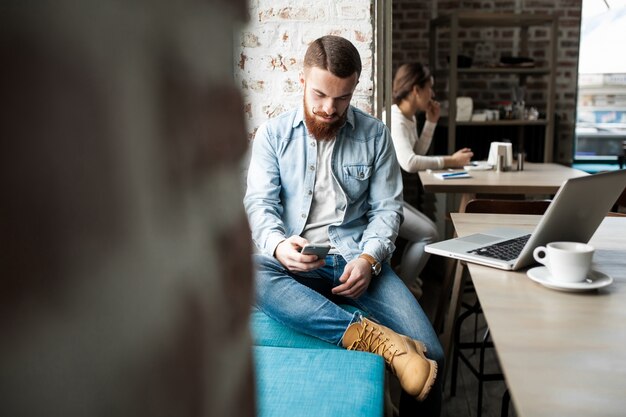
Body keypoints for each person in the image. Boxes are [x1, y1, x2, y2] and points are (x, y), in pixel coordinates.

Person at [244, 35, 444, 416]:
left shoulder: (374, 135)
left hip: (357, 262)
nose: (329, 109)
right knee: (249, 271)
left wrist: (369, 259)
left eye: (342, 99)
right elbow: (259, 205)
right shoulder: (273, 136)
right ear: (302, 81)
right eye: (320, 95)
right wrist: (278, 245)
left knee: (431, 355)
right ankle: (376, 340)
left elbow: (388, 211)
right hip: (294, 266)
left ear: (354, 88)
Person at [389, 62, 474, 296]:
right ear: (416, 89)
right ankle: (402, 289)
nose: (432, 94)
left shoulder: (408, 117)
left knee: (430, 231)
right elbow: (410, 162)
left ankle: (403, 282)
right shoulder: (395, 118)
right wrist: (451, 161)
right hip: (378, 202)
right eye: (430, 88)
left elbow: (417, 152)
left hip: (391, 197)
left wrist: (431, 121)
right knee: (429, 233)